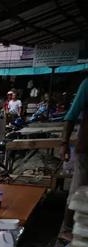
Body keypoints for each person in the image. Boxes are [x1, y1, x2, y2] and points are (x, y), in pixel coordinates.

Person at [60, 77, 88, 236]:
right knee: (78, 189)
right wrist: (64, 143)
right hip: (86, 148)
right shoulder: (87, 84)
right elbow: (71, 116)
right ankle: (67, 228)